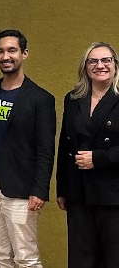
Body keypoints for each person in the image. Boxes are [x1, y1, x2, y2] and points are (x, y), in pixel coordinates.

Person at [0, 30, 56, 268]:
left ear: (25, 54)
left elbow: (45, 149)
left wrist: (40, 189)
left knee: (26, 258)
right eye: (0, 51)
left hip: (21, 187)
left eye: (12, 50)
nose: (5, 56)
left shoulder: (40, 98)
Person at [56, 42, 119, 267]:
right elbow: (65, 146)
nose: (99, 65)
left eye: (106, 60)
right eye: (93, 61)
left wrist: (100, 158)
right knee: (81, 260)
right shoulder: (73, 99)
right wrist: (62, 189)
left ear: (115, 65)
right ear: (85, 66)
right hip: (79, 194)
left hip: (113, 194)